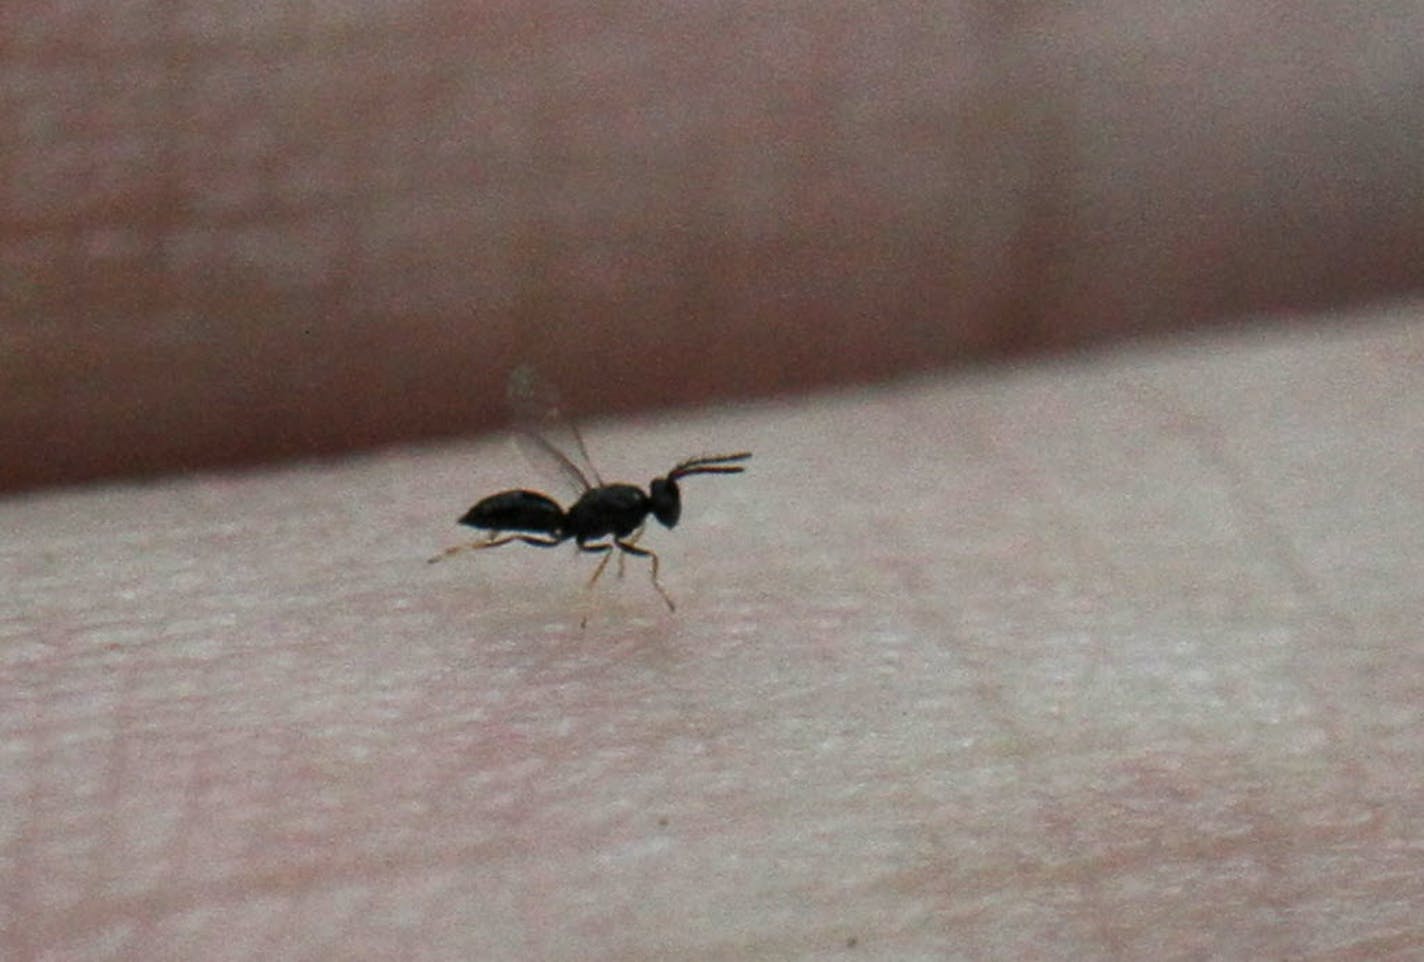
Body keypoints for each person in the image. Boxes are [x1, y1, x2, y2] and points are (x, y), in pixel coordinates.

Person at [4, 2, 1423, 957]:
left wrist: (668, 492)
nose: (656, 519)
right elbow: (585, 512)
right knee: (540, 548)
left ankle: (494, 561)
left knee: (566, 551)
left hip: (561, 526)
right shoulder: (598, 517)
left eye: (661, 511)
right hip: (537, 536)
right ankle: (468, 560)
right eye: (660, 509)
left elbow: (608, 503)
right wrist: (588, 551)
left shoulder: (614, 505)